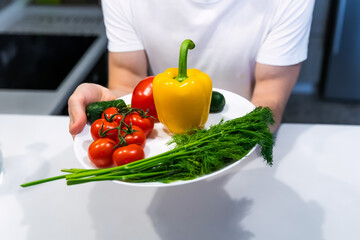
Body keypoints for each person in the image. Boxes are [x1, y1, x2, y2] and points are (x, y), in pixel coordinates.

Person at [68, 0, 315, 135]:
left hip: (238, 141)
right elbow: (128, 80)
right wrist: (113, 105)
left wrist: (229, 145)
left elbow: (270, 94)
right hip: (161, 143)